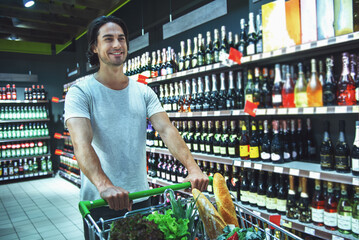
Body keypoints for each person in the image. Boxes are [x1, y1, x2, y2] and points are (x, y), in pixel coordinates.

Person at [64, 16, 209, 239]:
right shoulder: (81, 92)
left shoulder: (143, 91)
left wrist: (193, 168)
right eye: (108, 39)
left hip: (141, 197)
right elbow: (80, 143)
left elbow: (167, 130)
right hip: (101, 201)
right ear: (94, 47)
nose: (117, 45)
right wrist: (105, 185)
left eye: (121, 39)